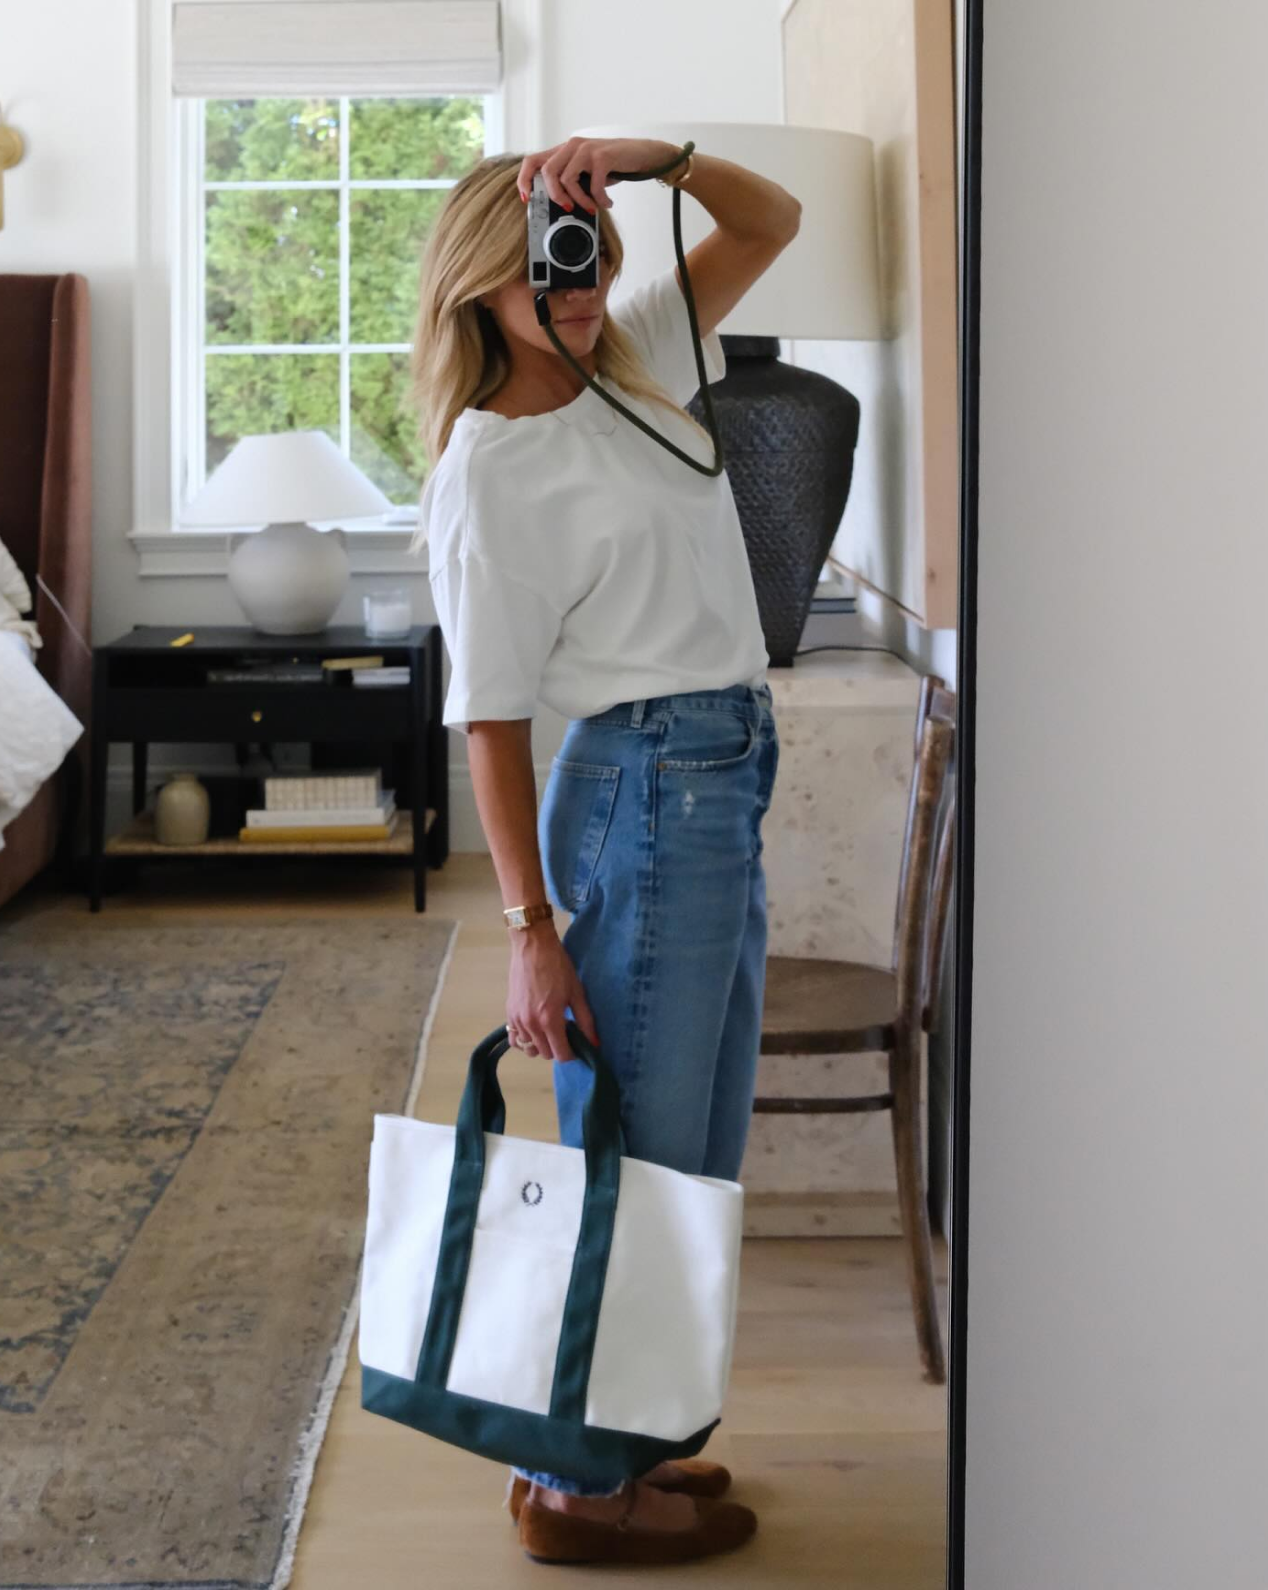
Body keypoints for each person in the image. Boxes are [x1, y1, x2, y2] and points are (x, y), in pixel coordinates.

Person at [408, 134, 800, 1565]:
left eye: (580, 246)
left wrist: (640, 161)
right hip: (649, 791)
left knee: (684, 1150)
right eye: (539, 260)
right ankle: (578, 1492)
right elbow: (493, 720)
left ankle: (608, 1444)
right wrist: (528, 924)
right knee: (631, 1157)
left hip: (716, 780)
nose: (572, 282)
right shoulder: (492, 463)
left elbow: (773, 214)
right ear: (480, 279)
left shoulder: (631, 359)